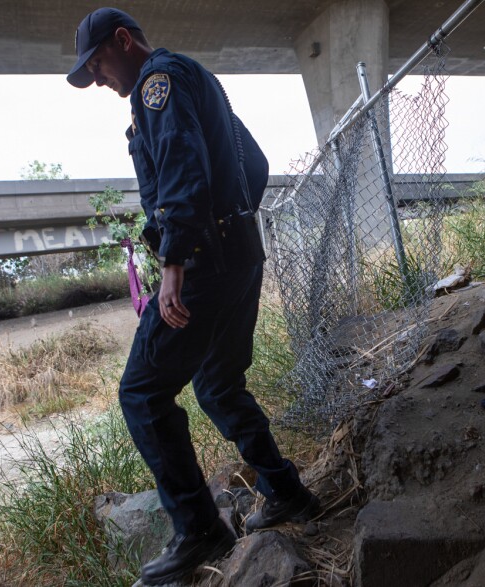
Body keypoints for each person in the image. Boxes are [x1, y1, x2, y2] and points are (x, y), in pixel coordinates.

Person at [67, 8, 319, 586]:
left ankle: (199, 528)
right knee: (217, 384)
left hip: (203, 264)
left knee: (142, 394)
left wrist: (176, 260)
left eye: (98, 65)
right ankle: (285, 491)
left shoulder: (158, 82)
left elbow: (181, 168)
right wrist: (231, 221)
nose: (99, 81)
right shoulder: (192, 78)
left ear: (123, 41)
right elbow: (252, 164)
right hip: (238, 255)